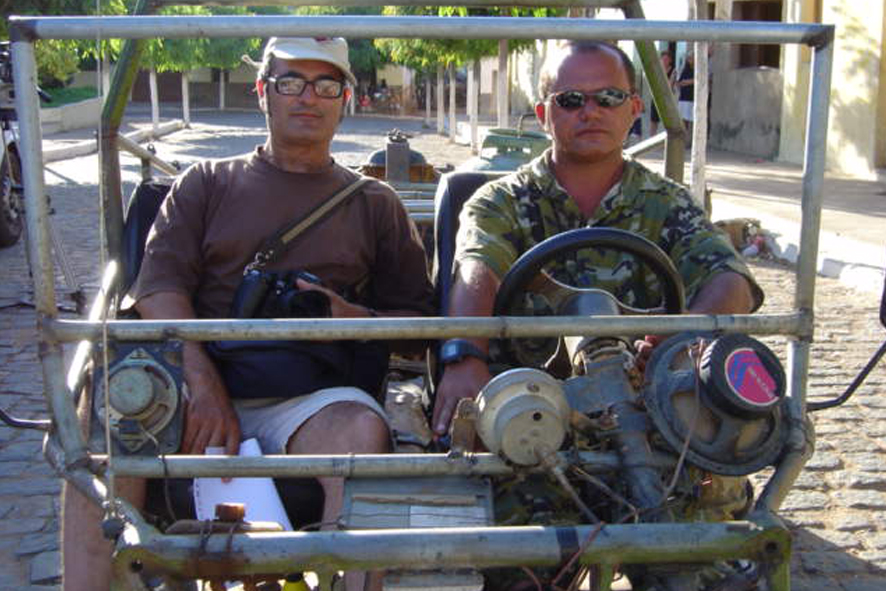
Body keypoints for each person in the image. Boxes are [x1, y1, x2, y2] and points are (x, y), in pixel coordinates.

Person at [62, 36, 434, 591]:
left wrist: (348, 316)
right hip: (193, 381)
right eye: (290, 82)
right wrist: (202, 382)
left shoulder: (374, 203)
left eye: (326, 85)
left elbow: (419, 327)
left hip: (311, 398)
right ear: (263, 91)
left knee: (361, 431)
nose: (307, 97)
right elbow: (159, 288)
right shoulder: (206, 182)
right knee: (111, 402)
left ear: (345, 100)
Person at [433, 38, 763, 591]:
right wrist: (465, 356)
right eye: (571, 100)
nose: (590, 111)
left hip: (652, 414)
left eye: (608, 97)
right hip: (535, 419)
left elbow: (730, 280)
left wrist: (679, 341)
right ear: (544, 113)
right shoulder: (500, 202)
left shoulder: (668, 203)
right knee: (522, 563)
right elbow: (476, 269)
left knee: (697, 556)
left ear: (633, 109)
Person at [649, 50, 674, 136]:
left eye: (666, 59)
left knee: (667, 122)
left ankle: (667, 138)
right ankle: (651, 138)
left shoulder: (673, 71)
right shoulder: (657, 70)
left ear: (670, 60)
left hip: (667, 99)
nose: (664, 61)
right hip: (656, 97)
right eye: (663, 59)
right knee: (653, 121)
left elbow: (669, 86)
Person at [676, 51, 695, 146]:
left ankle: (692, 140)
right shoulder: (685, 70)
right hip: (684, 98)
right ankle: (684, 141)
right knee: (684, 121)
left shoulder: (698, 70)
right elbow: (679, 83)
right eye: (690, 58)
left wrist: (689, 82)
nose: (691, 60)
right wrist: (690, 82)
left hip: (694, 99)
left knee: (693, 121)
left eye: (692, 58)